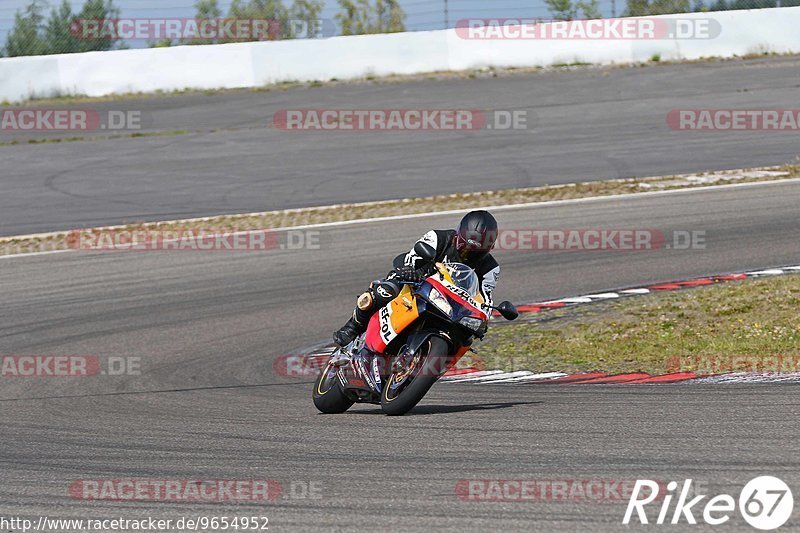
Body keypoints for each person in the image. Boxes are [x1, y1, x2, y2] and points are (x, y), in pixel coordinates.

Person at [333, 210, 501, 347]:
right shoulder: (437, 238)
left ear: (488, 250)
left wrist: (483, 319)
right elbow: (411, 258)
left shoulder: (491, 268)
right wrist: (411, 272)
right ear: (458, 235)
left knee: (465, 338)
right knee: (383, 292)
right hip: (414, 284)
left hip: (449, 304)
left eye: (475, 253)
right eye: (464, 248)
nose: (466, 255)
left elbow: (486, 298)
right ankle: (352, 327)